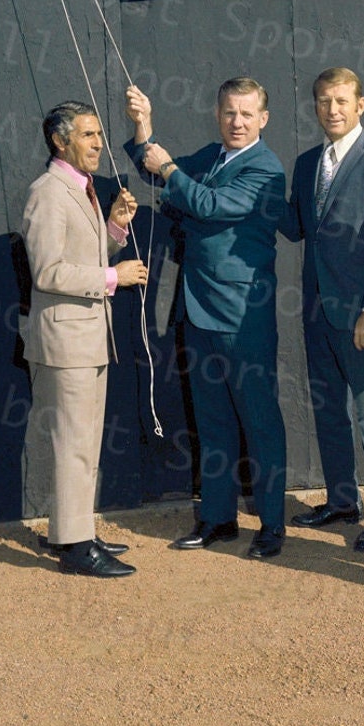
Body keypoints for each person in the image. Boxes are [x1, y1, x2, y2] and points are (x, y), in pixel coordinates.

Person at [124, 78, 289, 559]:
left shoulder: (266, 169)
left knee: (260, 423)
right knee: (213, 421)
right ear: (218, 115)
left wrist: (170, 167)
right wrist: (144, 126)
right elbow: (153, 169)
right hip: (199, 311)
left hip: (244, 318)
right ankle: (218, 519)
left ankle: (273, 525)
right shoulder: (214, 156)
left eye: (246, 114)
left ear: (263, 119)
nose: (237, 122)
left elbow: (209, 204)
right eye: (229, 113)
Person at [280, 67, 364, 551]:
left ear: (360, 105)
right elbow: (295, 226)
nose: (332, 110)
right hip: (317, 311)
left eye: (341, 101)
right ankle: (342, 502)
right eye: (322, 101)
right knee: (329, 411)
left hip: (362, 315)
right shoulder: (307, 161)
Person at [21, 100, 148, 577]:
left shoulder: (83, 190)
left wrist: (114, 225)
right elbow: (49, 271)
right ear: (60, 140)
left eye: (99, 135)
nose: (99, 144)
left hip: (88, 339)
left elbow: (80, 252)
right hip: (68, 343)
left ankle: (75, 531)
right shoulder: (48, 193)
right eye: (89, 135)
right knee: (73, 444)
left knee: (85, 441)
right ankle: (75, 548)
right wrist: (113, 276)